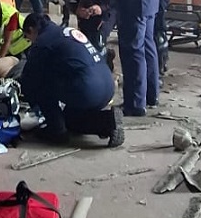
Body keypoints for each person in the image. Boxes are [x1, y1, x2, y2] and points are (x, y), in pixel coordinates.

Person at [19, 13, 123, 148]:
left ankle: (57, 132)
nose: (29, 42)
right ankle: (108, 122)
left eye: (27, 38)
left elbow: (28, 78)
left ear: (31, 30)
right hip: (107, 86)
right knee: (69, 120)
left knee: (40, 84)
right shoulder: (65, 32)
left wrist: (27, 100)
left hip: (87, 89)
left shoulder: (43, 41)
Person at [73, 0, 116, 71]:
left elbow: (114, 3)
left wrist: (101, 9)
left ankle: (103, 64)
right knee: (86, 42)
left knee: (98, 40)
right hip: (89, 16)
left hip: (106, 15)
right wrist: (80, 10)